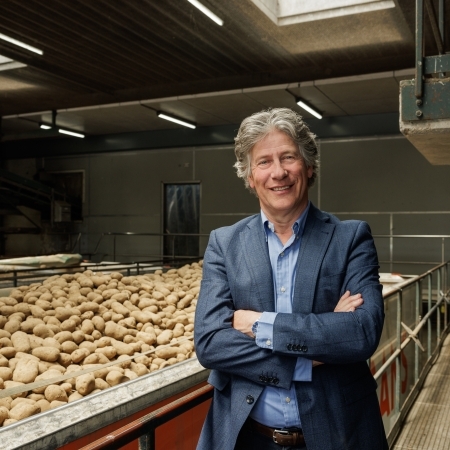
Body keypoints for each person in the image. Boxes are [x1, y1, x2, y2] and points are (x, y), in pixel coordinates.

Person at [194, 107, 388, 450]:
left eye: (288, 157)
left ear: (309, 166)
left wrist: (260, 325)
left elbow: (361, 332)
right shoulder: (225, 244)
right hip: (246, 435)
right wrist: (315, 349)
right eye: (264, 162)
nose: (278, 172)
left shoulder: (350, 238)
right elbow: (210, 342)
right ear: (250, 176)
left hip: (336, 434)